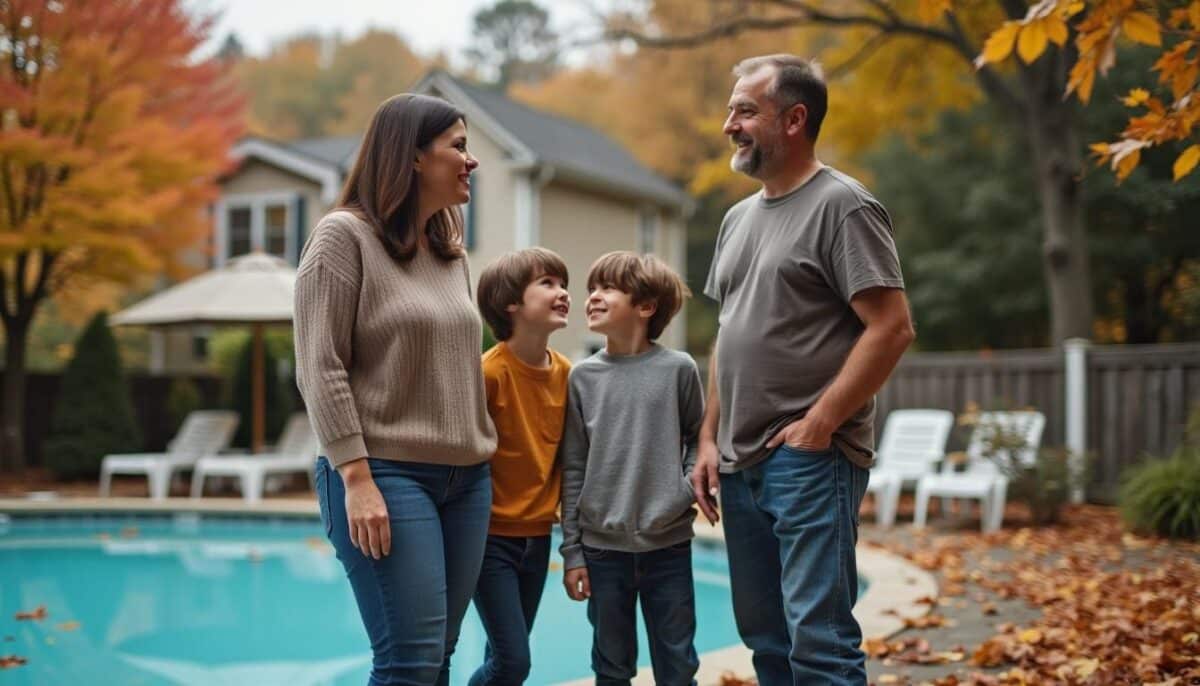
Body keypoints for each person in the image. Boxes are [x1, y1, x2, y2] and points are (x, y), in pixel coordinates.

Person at [691, 55, 915, 685]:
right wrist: (708, 439)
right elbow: (729, 335)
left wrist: (820, 424)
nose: (729, 123)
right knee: (766, 640)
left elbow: (891, 327)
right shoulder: (737, 219)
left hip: (808, 458)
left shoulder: (843, 207)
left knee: (820, 645)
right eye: (732, 108)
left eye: (745, 110)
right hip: (738, 464)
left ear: (794, 119)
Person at [294, 93, 497, 686]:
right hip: (384, 473)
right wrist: (356, 479)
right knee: (409, 661)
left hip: (466, 479)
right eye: (458, 146)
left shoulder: (449, 252)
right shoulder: (342, 237)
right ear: (410, 157)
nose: (471, 161)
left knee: (438, 657)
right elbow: (319, 364)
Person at [560, 251, 704, 686]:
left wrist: (682, 490)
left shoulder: (679, 369)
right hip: (603, 553)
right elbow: (573, 467)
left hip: (669, 546)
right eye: (592, 290)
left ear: (645, 306)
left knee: (678, 667)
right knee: (611, 668)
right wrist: (573, 552)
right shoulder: (581, 378)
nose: (593, 298)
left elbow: (700, 439)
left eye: (608, 289)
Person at [469, 248, 573, 685]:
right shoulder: (487, 374)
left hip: (538, 539)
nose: (563, 292)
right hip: (489, 540)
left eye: (563, 283)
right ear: (511, 302)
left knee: (504, 658)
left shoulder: (569, 374)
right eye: (547, 283)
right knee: (514, 662)